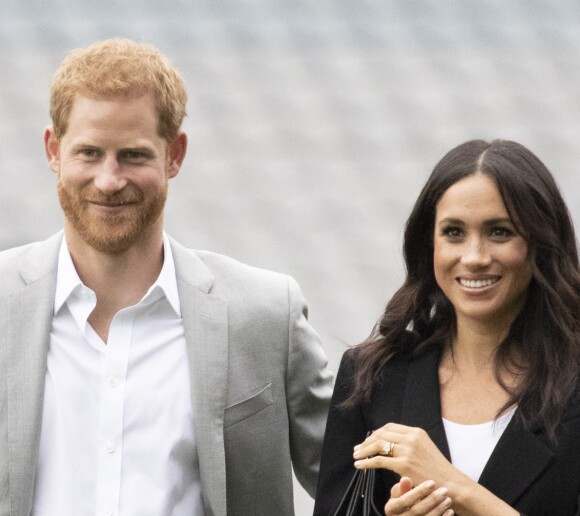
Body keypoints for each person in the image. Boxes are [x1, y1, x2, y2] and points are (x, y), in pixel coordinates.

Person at [0, 38, 333, 516]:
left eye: (133, 156)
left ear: (174, 154)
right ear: (53, 150)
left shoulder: (264, 315)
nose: (109, 180)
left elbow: (357, 484)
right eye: (89, 152)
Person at [314, 139, 580, 516]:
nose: (474, 257)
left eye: (499, 232)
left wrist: (454, 488)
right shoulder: (371, 377)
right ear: (429, 244)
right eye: (453, 232)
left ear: (541, 243)